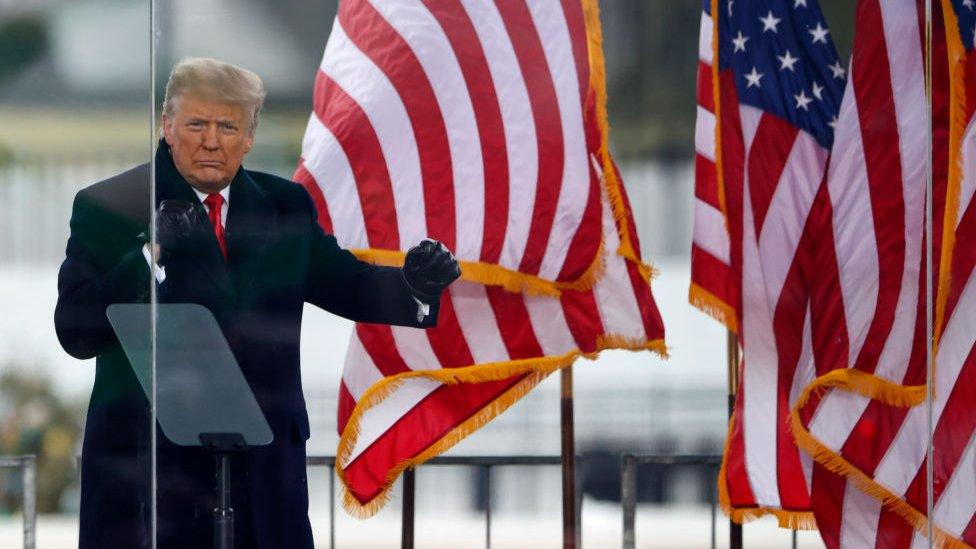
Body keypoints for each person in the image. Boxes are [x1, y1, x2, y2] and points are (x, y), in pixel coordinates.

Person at [54, 57, 460, 549]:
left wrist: (414, 285)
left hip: (262, 472)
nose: (211, 140)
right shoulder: (111, 204)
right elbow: (76, 331)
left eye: (228, 126)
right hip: (152, 478)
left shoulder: (284, 205)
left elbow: (344, 282)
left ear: (249, 135)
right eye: (196, 124)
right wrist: (148, 253)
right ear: (167, 126)